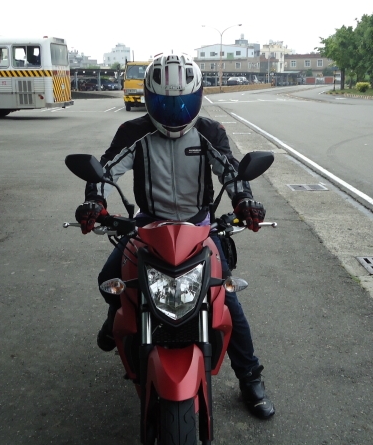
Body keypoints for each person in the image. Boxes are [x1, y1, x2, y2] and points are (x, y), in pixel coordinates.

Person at [75, 53, 275, 419]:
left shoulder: (210, 131)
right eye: (166, 103)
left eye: (183, 102)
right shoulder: (133, 132)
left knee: (227, 302)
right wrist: (94, 202)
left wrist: (245, 201)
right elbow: (105, 171)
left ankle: (250, 378)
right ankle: (117, 317)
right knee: (109, 278)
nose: (175, 111)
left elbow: (231, 172)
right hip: (148, 226)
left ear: (197, 97)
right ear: (150, 99)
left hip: (199, 229)